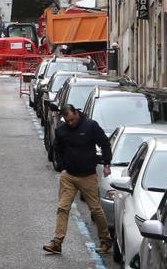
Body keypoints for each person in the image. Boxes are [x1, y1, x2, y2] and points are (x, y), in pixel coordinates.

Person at [43, 104, 114, 255]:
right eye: (67, 121)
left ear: (76, 113)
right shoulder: (61, 130)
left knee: (95, 209)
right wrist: (61, 166)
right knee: (62, 208)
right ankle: (57, 242)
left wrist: (107, 163)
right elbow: (57, 148)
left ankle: (106, 240)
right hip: (68, 176)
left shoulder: (90, 126)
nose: (70, 123)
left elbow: (104, 143)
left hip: (88, 175)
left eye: (72, 120)